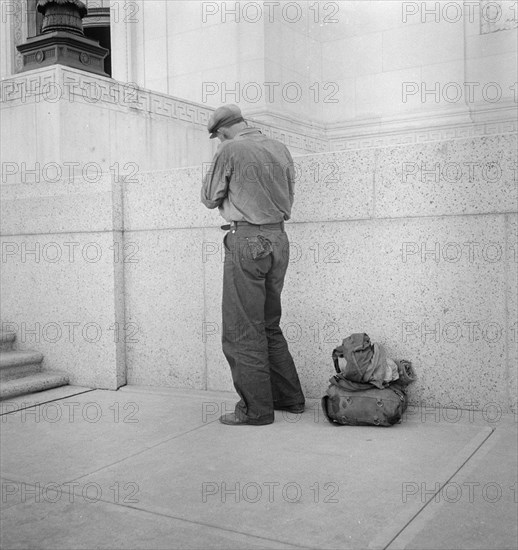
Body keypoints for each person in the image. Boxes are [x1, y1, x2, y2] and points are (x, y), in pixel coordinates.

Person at [201, 104, 305, 426]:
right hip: (278, 240)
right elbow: (288, 191)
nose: (219, 141)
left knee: (242, 330)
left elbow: (208, 197)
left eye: (218, 137)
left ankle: (256, 410)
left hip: (247, 241)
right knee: (269, 323)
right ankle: (289, 398)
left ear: (221, 132)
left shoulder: (230, 149)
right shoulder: (279, 147)